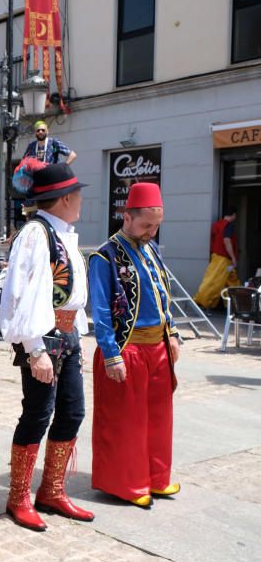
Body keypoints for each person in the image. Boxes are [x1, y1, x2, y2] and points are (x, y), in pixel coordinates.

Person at [0, 162, 94, 532]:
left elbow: (73, 294)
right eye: (79, 194)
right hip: (44, 337)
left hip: (67, 336)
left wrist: (78, 338)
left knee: (72, 412)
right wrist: (34, 348)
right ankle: (18, 496)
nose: (82, 200)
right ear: (65, 198)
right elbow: (18, 293)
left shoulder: (63, 234)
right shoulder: (36, 234)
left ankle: (51, 489)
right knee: (38, 414)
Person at [89, 182, 181, 508]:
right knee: (126, 422)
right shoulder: (105, 255)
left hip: (157, 347)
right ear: (126, 217)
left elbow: (162, 294)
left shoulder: (151, 248)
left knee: (158, 418)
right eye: (146, 225)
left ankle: (157, 478)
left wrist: (171, 333)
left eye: (156, 226)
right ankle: (127, 484)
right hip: (127, 348)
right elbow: (100, 311)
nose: (151, 232)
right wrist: (111, 354)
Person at [193, 208, 239, 310]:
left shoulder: (217, 225)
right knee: (213, 282)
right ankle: (201, 302)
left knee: (231, 281)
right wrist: (233, 257)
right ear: (234, 215)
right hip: (223, 259)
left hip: (217, 257)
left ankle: (235, 306)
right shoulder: (228, 226)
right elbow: (226, 241)